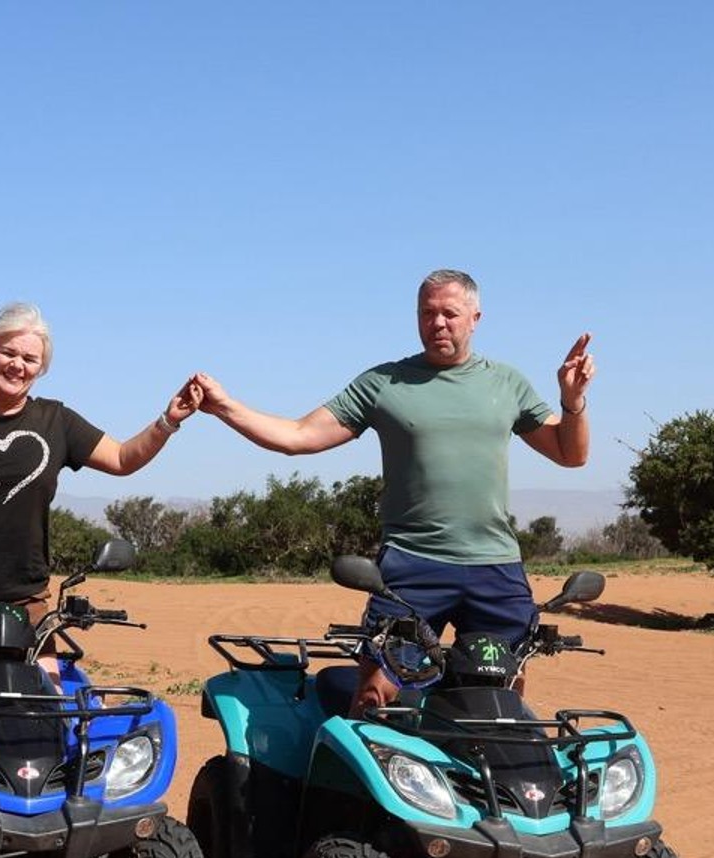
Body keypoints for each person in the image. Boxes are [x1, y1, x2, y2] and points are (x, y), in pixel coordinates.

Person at [193, 268, 595, 714]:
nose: (437, 323)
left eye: (449, 313)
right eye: (427, 313)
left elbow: (569, 453)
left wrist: (572, 401)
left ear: (475, 318)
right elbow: (297, 436)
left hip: (494, 566)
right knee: (374, 696)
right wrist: (226, 407)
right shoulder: (385, 383)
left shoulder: (507, 383)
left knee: (501, 702)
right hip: (412, 567)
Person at [0, 301, 202, 688]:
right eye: (8, 352)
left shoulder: (56, 422)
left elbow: (122, 458)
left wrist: (168, 421)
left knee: (50, 710)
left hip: (21, 602)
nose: (17, 365)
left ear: (41, 367)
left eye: (30, 358)